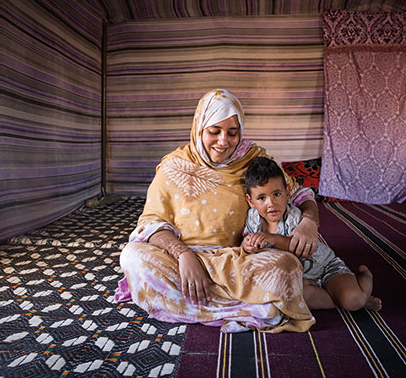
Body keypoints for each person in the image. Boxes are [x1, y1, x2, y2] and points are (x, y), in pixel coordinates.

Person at [115, 89, 320, 333]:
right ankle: (256, 309)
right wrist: (184, 255)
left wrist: (309, 222)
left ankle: (188, 304)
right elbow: (150, 224)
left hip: (237, 261)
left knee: (286, 266)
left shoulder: (252, 160)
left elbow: (300, 194)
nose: (223, 141)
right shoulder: (174, 166)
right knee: (132, 256)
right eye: (215, 131)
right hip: (181, 263)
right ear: (199, 127)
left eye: (232, 133)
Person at [242, 157, 382, 312]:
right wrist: (248, 245)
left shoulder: (294, 216)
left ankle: (364, 283)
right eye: (262, 198)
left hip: (325, 267)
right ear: (250, 200)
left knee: (353, 301)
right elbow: (249, 245)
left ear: (287, 192)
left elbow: (297, 248)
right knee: (294, 296)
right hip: (302, 278)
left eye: (277, 194)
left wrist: (272, 238)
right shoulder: (253, 218)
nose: (271, 203)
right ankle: (339, 298)